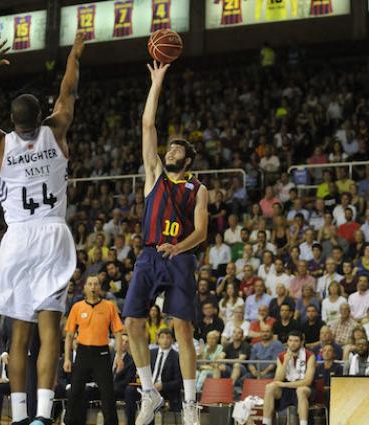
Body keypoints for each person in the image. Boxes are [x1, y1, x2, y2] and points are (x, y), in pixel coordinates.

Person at [0, 35, 85, 425]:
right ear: (41, 117)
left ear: (11, 121)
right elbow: (68, 90)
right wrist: (73, 56)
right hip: (53, 234)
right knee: (50, 330)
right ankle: (42, 415)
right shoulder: (57, 130)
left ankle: (20, 415)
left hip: (19, 237)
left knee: (18, 336)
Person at [122, 60, 209, 425]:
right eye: (168, 148)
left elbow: (202, 232)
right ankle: (149, 392)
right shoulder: (154, 175)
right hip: (149, 254)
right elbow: (147, 124)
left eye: (176, 150)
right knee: (131, 323)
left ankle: (190, 403)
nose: (170, 151)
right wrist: (156, 82)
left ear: (187, 159)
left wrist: (179, 247)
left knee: (182, 329)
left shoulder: (198, 188)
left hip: (180, 257)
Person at [64, 276, 125, 425]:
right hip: (83, 353)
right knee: (75, 392)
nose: (93, 287)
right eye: (90, 284)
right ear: (84, 287)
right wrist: (67, 358)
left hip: (102, 354)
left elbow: (118, 332)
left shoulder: (109, 306)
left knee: (107, 394)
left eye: (96, 284)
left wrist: (118, 356)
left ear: (100, 287)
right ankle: (70, 422)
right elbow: (69, 335)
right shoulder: (77, 307)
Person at [124, 329, 182, 425]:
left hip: (164, 390)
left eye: (168, 337)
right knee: (130, 390)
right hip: (147, 386)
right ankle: (130, 422)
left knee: (152, 400)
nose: (165, 340)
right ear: (158, 339)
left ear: (172, 340)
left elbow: (178, 382)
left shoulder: (177, 357)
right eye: (162, 337)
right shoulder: (150, 352)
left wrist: (162, 385)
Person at [262, 331, 316, 425]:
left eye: (296, 341)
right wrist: (285, 362)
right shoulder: (282, 356)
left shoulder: (310, 356)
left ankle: (304, 423)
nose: (292, 343)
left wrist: (285, 384)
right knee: (270, 387)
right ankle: (266, 422)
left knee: (301, 390)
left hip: (304, 388)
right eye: (290, 340)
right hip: (286, 389)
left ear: (302, 342)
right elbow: (277, 379)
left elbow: (308, 381)